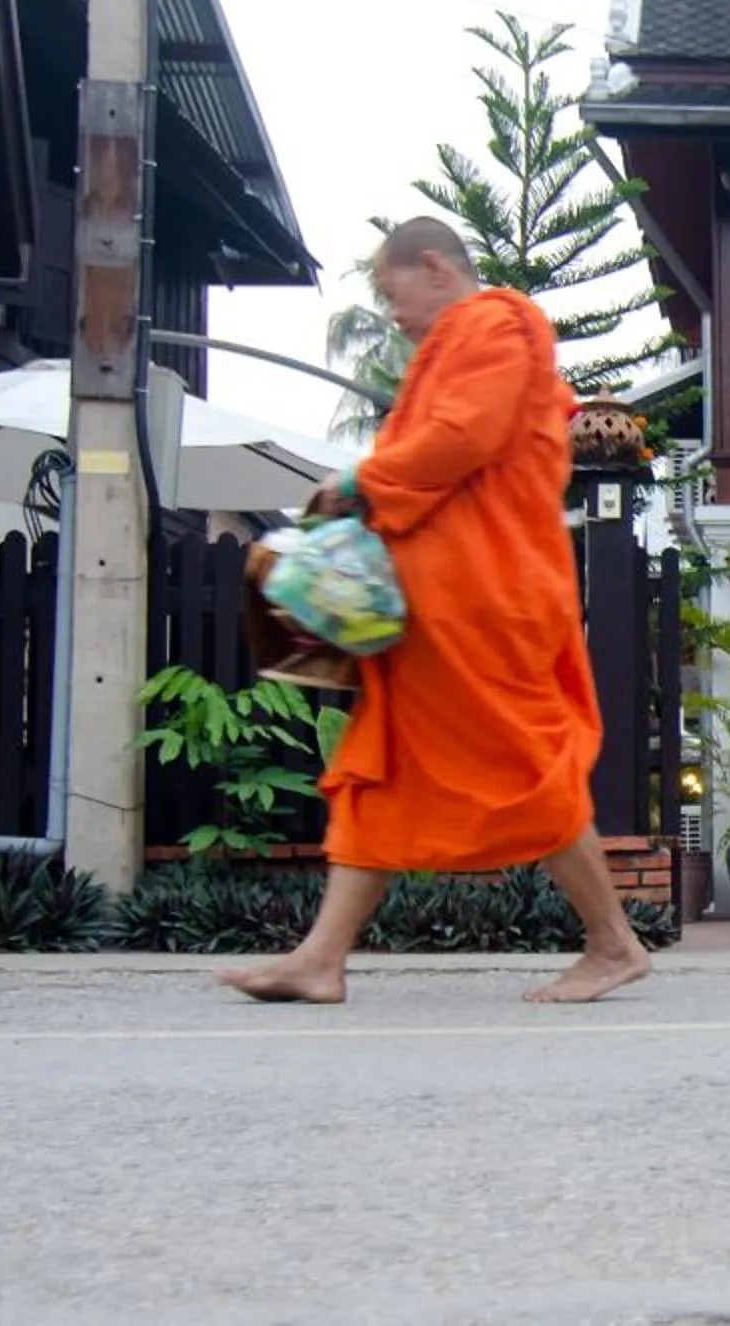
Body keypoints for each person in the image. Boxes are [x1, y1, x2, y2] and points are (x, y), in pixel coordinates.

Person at [221, 219, 650, 1006]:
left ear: (433, 268)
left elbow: (463, 436)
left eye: (392, 294)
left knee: (524, 764)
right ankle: (321, 957)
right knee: (378, 776)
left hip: (487, 602)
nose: (393, 315)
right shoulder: (468, 343)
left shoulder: (496, 324)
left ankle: (613, 942)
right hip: (435, 610)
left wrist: (361, 483)